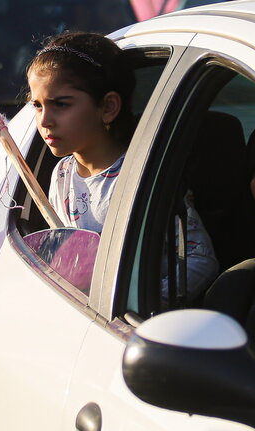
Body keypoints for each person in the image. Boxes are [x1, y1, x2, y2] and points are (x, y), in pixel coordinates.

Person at [26, 31, 218, 297]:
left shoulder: (142, 177)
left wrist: (137, 300)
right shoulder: (63, 174)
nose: (45, 120)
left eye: (60, 104)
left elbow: (201, 261)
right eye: (37, 105)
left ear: (108, 107)